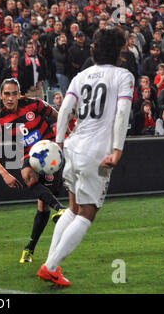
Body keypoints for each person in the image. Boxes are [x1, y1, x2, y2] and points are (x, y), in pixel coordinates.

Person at [39, 28, 135, 287]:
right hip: (97, 153)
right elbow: (122, 113)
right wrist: (117, 149)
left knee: (73, 208)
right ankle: (50, 266)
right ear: (118, 51)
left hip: (73, 146)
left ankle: (51, 263)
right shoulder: (123, 76)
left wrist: (59, 143)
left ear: (94, 50)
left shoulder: (81, 76)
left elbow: (65, 110)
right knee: (87, 213)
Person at [0, 77, 66, 264]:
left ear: (19, 94)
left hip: (52, 153)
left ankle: (29, 248)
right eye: (6, 94)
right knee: (26, 174)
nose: (10, 98)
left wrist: (64, 137)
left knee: (42, 206)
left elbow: (59, 117)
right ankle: (60, 209)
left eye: (14, 93)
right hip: (30, 157)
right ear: (1, 96)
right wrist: (4, 174)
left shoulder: (35, 104)